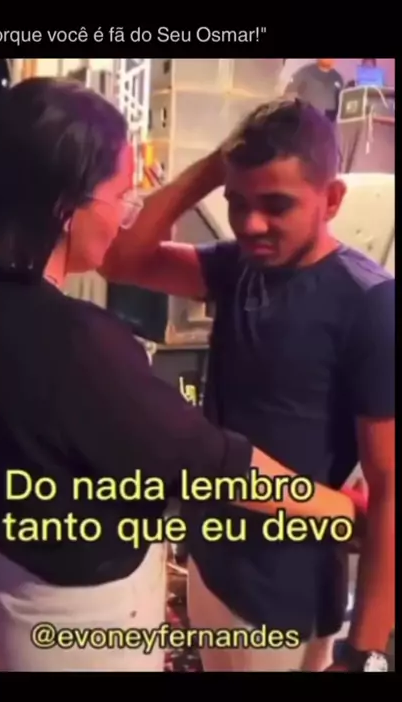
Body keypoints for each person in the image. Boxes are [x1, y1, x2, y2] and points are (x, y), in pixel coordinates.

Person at [0, 80, 359, 673]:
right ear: (66, 207)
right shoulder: (73, 342)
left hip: (12, 583)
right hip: (82, 622)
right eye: (121, 196)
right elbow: (211, 464)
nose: (124, 216)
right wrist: (343, 511)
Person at [102, 98, 394, 672]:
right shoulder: (240, 265)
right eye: (237, 203)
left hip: (284, 597)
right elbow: (119, 260)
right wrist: (213, 168)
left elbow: (388, 489)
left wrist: (361, 652)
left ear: (332, 200)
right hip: (213, 563)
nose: (251, 224)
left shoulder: (369, 303)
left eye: (276, 205)